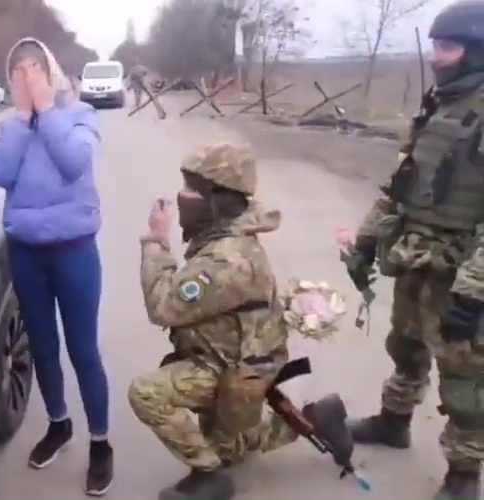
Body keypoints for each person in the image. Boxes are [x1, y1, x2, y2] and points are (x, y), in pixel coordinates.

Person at [128, 143, 353, 500]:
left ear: (219, 200)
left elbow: (164, 308)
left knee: (146, 392)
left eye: (192, 190)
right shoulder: (224, 237)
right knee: (231, 450)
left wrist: (156, 240)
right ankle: (317, 418)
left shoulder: (226, 259)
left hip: (232, 366)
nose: (183, 197)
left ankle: (209, 477)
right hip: (234, 357)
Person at [342, 2, 484, 499]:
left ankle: (465, 475)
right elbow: (400, 182)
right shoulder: (437, 104)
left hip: (463, 266)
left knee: (465, 378)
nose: (438, 57)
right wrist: (367, 237)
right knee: (405, 346)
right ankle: (394, 422)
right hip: (416, 256)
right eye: (436, 47)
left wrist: (473, 293)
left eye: (448, 48)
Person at [0, 38, 112, 496]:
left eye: (35, 66)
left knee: (83, 351)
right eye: (18, 69)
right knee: (42, 346)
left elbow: (76, 162)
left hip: (75, 250)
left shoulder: (79, 114)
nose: (28, 75)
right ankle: (59, 423)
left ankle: (101, 441)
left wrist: (48, 112)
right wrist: (23, 118)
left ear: (52, 71)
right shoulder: (9, 126)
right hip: (26, 252)